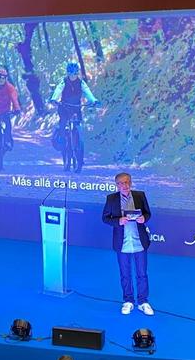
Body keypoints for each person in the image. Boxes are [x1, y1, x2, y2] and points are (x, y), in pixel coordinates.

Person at [102, 172, 154, 315]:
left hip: (139, 242)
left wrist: (144, 218)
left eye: (127, 182)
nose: (124, 185)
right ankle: (128, 301)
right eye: (121, 183)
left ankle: (143, 302)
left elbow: (148, 213)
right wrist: (118, 221)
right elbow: (105, 218)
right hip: (122, 243)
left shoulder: (140, 196)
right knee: (125, 274)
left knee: (142, 274)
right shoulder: (111, 199)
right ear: (116, 185)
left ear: (130, 183)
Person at [49, 62, 99, 170]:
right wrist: (54, 99)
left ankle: (79, 150)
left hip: (76, 107)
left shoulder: (81, 83)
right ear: (67, 73)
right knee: (63, 126)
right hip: (64, 107)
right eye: (70, 74)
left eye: (75, 74)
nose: (73, 76)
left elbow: (87, 92)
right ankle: (64, 148)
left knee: (78, 126)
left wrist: (93, 100)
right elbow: (58, 90)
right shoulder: (63, 81)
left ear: (77, 73)